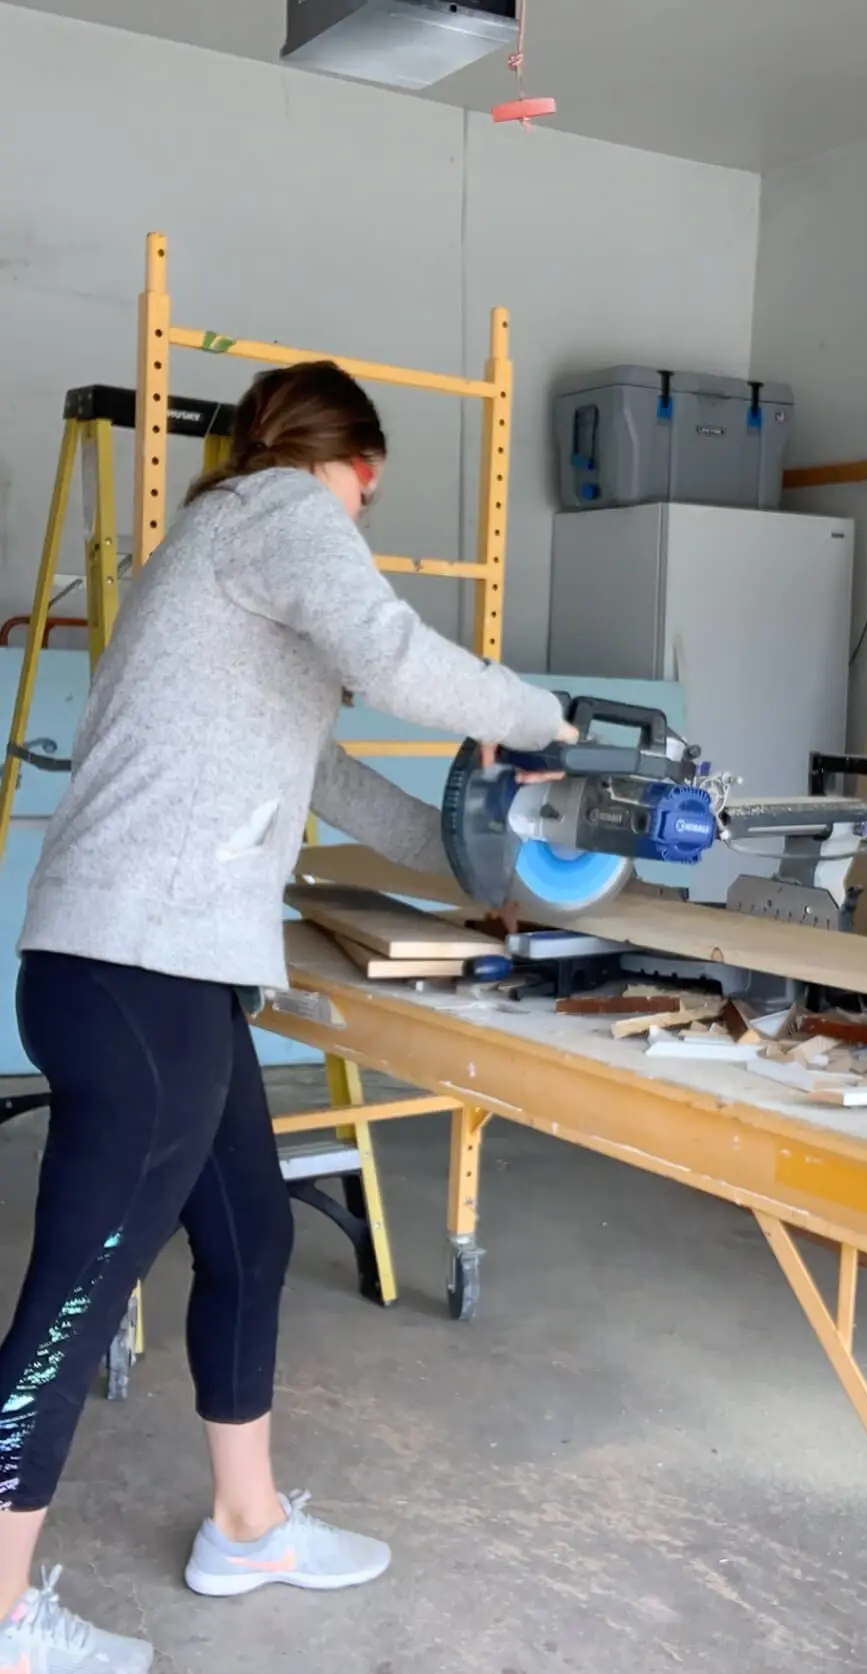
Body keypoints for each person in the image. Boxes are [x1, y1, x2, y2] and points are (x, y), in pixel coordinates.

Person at [0, 360, 575, 1673]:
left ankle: (247, 1524)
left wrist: (473, 866)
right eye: (366, 491)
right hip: (133, 972)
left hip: (166, 978)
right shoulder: (274, 515)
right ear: (343, 461)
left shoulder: (222, 568)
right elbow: (395, 654)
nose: (361, 521)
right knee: (71, 1304)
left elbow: (325, 774)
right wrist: (548, 718)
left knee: (251, 1235)